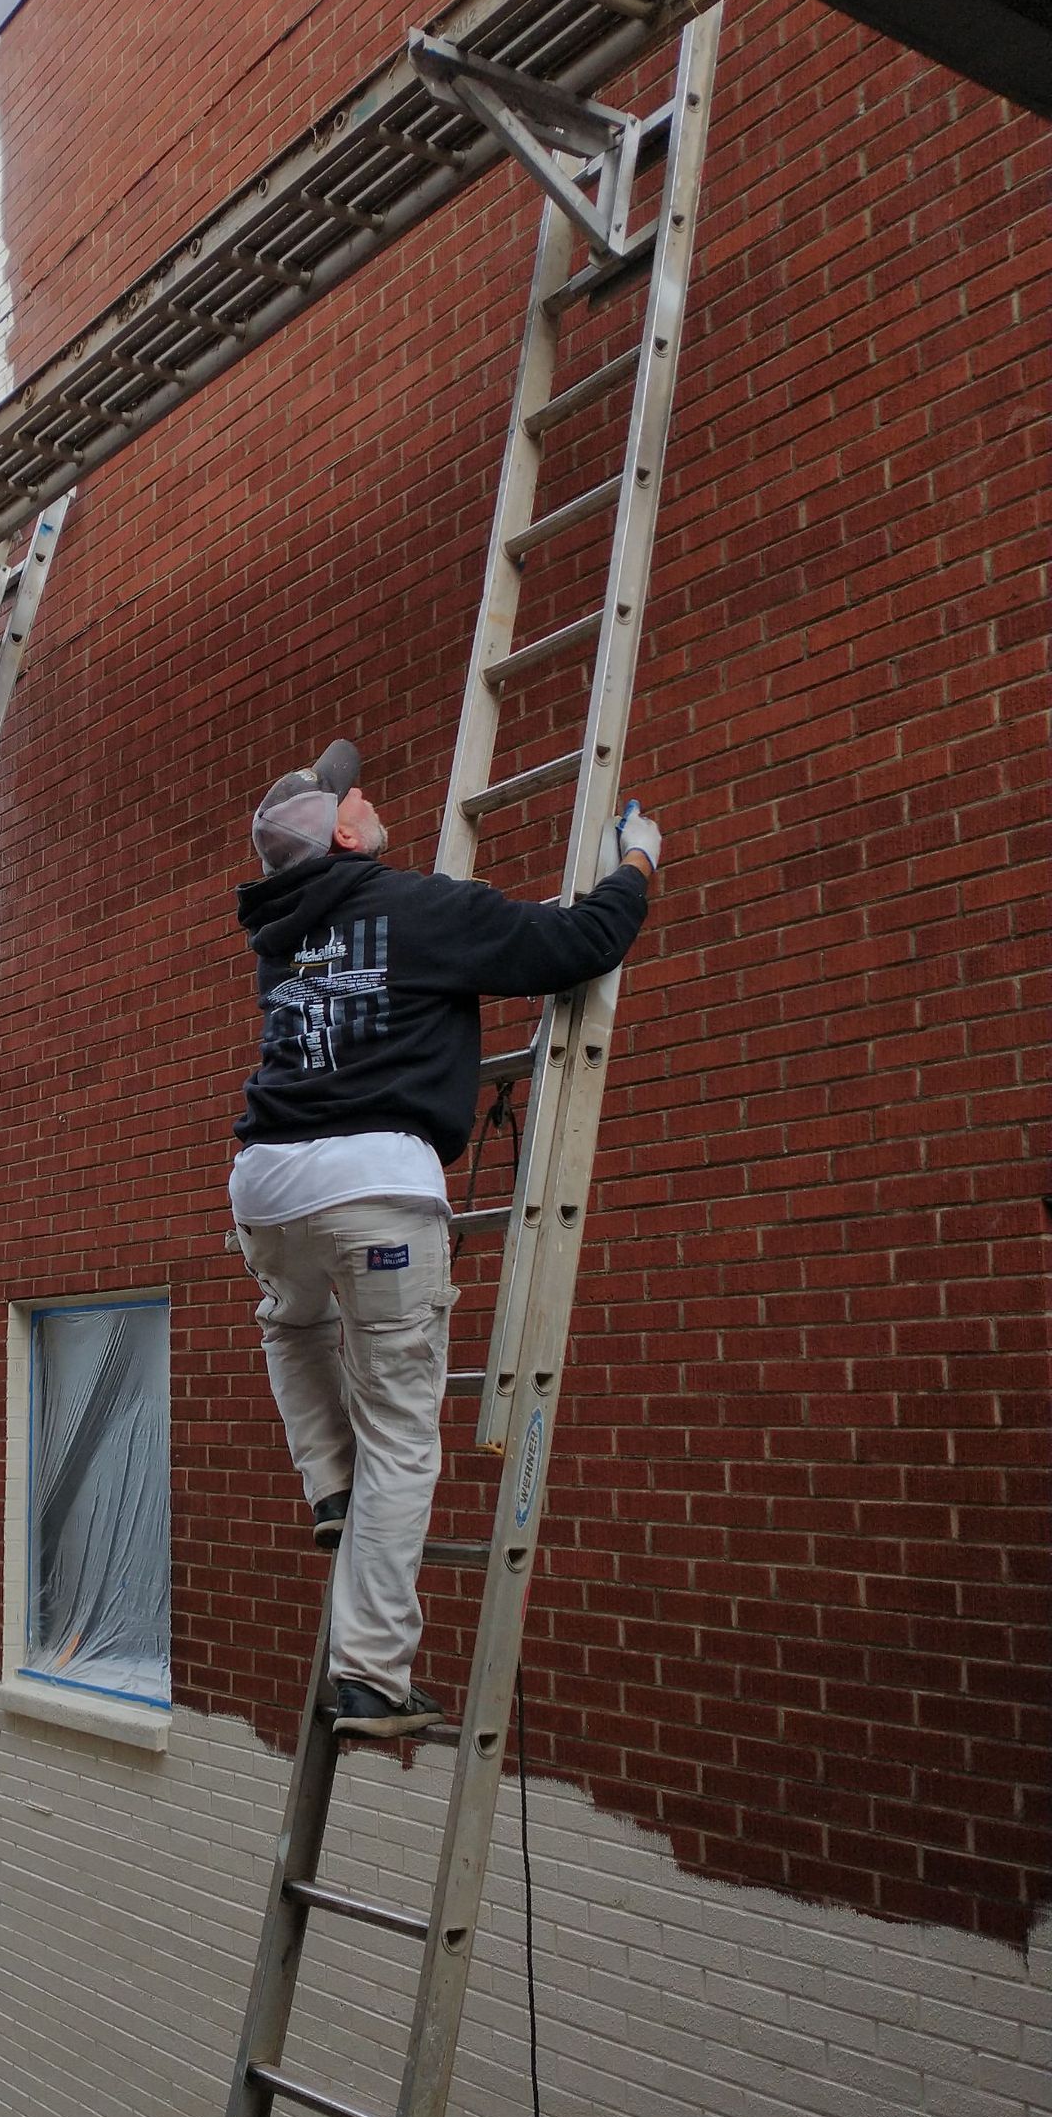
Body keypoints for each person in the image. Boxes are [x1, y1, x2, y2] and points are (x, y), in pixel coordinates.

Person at [231, 739, 662, 1741]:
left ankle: (328, 1487)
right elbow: (576, 944)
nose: (373, 800)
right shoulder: (419, 907)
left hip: (265, 1183)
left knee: (289, 1320)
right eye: (358, 797)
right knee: (404, 1438)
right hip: (377, 1184)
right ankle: (373, 1674)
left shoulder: (277, 941)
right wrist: (635, 862)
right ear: (342, 830)